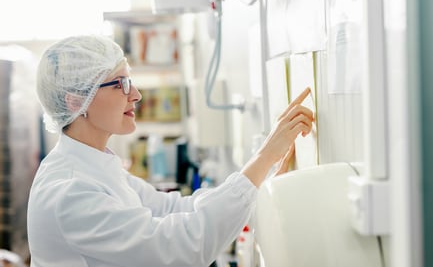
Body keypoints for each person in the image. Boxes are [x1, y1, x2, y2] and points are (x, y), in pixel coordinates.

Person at [27, 35, 314, 267]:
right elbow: (179, 248)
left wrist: (263, 172)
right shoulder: (70, 193)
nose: (136, 95)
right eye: (121, 84)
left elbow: (175, 209)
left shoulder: (94, 166)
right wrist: (262, 159)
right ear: (77, 102)